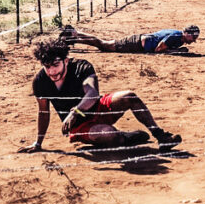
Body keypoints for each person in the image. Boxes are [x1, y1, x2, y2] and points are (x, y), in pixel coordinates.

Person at [18, 38, 181, 153]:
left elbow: (93, 94)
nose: (52, 71)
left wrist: (75, 112)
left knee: (129, 96)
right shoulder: (40, 81)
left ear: (66, 61)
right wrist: (38, 143)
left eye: (56, 65)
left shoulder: (81, 66)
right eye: (47, 66)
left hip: (99, 108)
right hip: (80, 127)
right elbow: (43, 112)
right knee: (109, 135)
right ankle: (125, 136)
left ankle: (161, 136)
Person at [60, 24, 199, 53]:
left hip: (139, 42)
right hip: (136, 44)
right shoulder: (176, 37)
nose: (193, 40)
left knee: (103, 45)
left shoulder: (177, 36)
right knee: (103, 45)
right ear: (187, 33)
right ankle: (74, 35)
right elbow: (159, 49)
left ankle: (75, 37)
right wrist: (176, 52)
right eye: (193, 37)